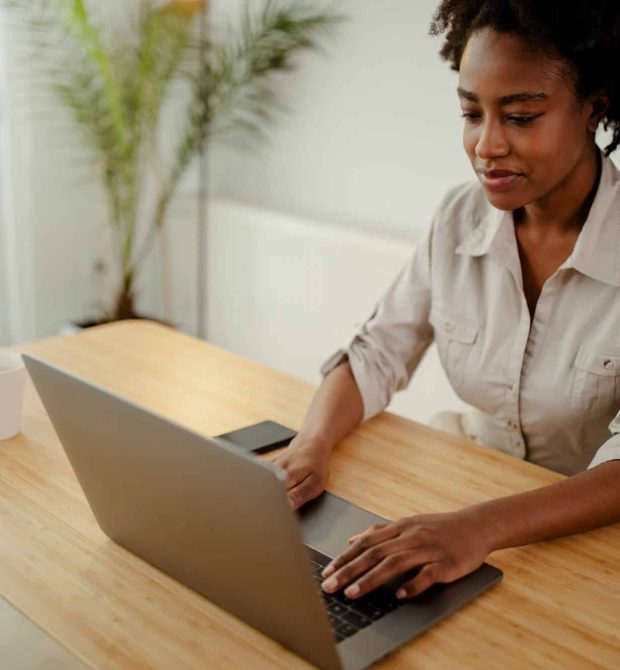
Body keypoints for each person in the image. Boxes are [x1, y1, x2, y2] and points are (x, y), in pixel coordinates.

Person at [273, 1, 620, 602]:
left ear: (593, 108)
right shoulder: (460, 218)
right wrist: (311, 446)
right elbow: (378, 350)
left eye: (520, 116)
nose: (486, 145)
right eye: (470, 113)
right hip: (471, 498)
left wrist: (478, 527)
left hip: (587, 542)